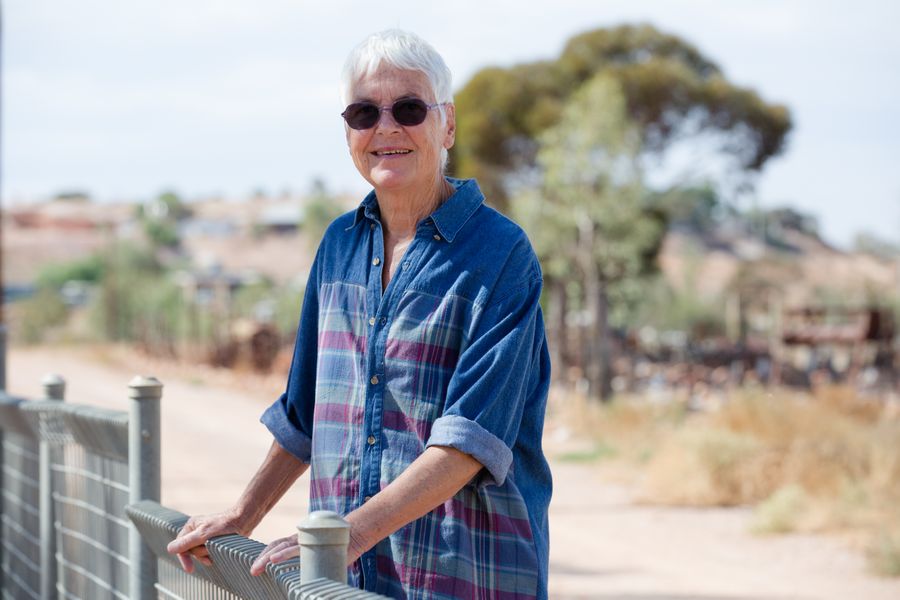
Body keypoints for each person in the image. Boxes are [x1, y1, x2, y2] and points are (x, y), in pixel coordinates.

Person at [167, 29, 552, 599]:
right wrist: (243, 514)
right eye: (364, 112)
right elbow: (304, 412)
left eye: (410, 108)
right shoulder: (338, 245)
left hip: (464, 575)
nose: (386, 127)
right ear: (348, 131)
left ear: (447, 125)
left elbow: (470, 440)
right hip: (347, 581)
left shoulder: (502, 255)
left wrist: (351, 535)